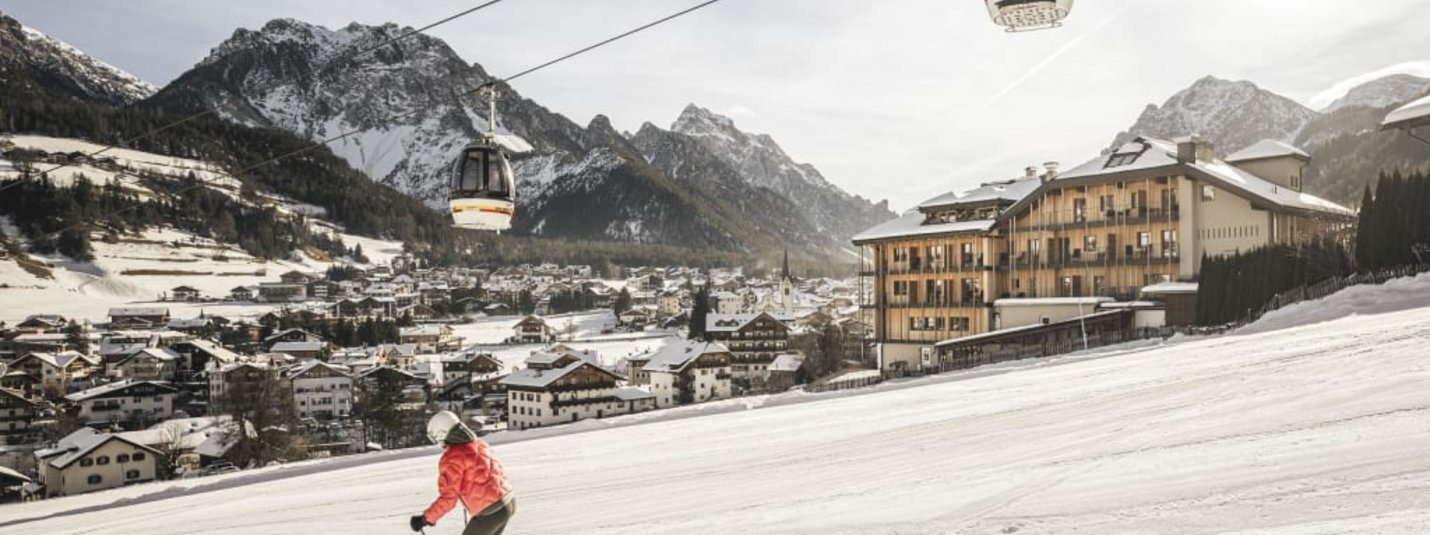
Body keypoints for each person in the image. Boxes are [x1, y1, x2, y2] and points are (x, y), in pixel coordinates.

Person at [410, 411, 515, 534]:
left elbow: (448, 499)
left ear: (441, 434)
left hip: (490, 511)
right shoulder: (479, 444)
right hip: (508, 501)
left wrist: (425, 519)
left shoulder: (451, 459)